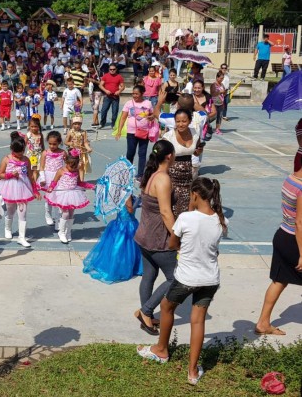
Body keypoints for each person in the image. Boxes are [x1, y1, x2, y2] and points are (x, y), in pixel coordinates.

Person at [138, 177, 227, 386]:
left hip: (187, 277)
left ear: (194, 195)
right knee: (198, 320)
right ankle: (193, 371)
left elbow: (172, 243)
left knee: (166, 306)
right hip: (210, 278)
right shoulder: (220, 220)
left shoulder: (186, 218)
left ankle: (161, 350)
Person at [133, 140, 177, 335]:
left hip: (143, 236)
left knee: (149, 276)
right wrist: (177, 237)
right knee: (175, 278)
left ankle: (146, 318)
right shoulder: (163, 179)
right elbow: (166, 213)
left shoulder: (150, 175)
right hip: (158, 239)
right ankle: (146, 311)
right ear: (169, 156)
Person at [255, 161, 302, 335]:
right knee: (280, 280)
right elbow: (299, 223)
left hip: (282, 235)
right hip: (295, 241)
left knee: (279, 281)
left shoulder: (290, 179)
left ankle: (263, 322)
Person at [83, 192, 142, 283]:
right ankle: (120, 269)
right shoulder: (127, 192)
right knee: (126, 248)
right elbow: (130, 210)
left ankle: (115, 266)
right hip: (127, 224)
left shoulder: (118, 190)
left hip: (119, 222)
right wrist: (138, 200)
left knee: (118, 247)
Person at [0, 131, 41, 248]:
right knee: (10, 210)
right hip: (10, 188)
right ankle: (8, 228)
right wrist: (10, 174)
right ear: (12, 149)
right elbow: (0, 174)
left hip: (23, 187)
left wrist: (35, 190)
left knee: (23, 212)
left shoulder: (26, 160)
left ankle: (21, 237)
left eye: (22, 152)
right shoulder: (7, 159)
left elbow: (31, 176)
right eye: (17, 153)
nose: (20, 155)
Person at [45, 149, 94, 244]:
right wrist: (51, 187)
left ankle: (68, 232)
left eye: (74, 166)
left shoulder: (76, 170)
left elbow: (79, 182)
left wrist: (90, 186)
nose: (72, 168)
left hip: (73, 193)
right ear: (66, 162)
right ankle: (61, 232)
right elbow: (54, 181)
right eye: (70, 166)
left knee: (71, 214)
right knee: (65, 214)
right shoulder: (61, 170)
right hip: (62, 194)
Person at [162, 109, 203, 218]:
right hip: (171, 178)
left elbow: (196, 152)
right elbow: (160, 157)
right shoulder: (168, 137)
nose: (180, 124)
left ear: (190, 121)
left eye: (184, 121)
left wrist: (198, 151)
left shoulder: (194, 133)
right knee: (171, 208)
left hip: (188, 178)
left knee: (185, 210)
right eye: (178, 121)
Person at [116, 85, 154, 181]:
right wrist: (119, 131)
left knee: (142, 154)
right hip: (131, 133)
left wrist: (151, 117)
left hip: (144, 132)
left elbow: (153, 115)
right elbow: (123, 117)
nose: (134, 95)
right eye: (133, 93)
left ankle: (140, 174)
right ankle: (128, 172)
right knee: (130, 153)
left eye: (137, 94)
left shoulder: (148, 103)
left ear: (142, 94)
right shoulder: (129, 103)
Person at [38, 131, 66, 230]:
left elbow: (67, 165)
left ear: (59, 143)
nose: (52, 146)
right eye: (50, 143)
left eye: (54, 144)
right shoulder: (45, 153)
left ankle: (58, 219)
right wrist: (42, 178)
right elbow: (41, 166)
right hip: (48, 177)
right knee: (49, 199)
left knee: (58, 199)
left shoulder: (62, 152)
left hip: (58, 177)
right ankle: (48, 215)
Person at [99, 64, 125, 129]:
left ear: (116, 69)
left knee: (115, 112)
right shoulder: (105, 76)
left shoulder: (119, 76)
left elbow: (123, 86)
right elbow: (100, 85)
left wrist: (119, 91)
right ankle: (102, 123)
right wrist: (105, 90)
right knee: (103, 110)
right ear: (109, 69)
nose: (112, 70)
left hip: (115, 97)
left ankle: (113, 124)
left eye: (113, 69)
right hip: (107, 96)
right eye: (111, 69)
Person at [25, 117, 45, 183]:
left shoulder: (40, 135)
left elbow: (42, 145)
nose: (33, 128)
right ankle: (31, 182)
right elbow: (24, 145)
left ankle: (35, 184)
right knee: (31, 170)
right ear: (29, 126)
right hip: (31, 155)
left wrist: (44, 154)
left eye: (35, 126)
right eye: (32, 126)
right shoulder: (28, 135)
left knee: (37, 170)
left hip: (39, 155)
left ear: (38, 126)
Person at [210, 71, 226, 136]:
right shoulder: (213, 85)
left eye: (223, 78)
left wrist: (224, 92)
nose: (221, 80)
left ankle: (217, 129)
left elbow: (224, 92)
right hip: (214, 102)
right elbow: (212, 93)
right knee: (213, 116)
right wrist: (220, 92)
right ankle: (207, 125)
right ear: (217, 77)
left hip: (221, 102)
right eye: (221, 78)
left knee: (220, 116)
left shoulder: (222, 85)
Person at [86, 65, 102, 129]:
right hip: (91, 93)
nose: (89, 70)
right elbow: (86, 82)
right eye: (88, 69)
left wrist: (94, 81)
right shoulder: (88, 74)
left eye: (90, 68)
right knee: (94, 107)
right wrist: (87, 80)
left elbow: (101, 82)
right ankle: (97, 122)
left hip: (98, 91)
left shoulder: (99, 73)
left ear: (93, 68)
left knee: (96, 106)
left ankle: (93, 122)